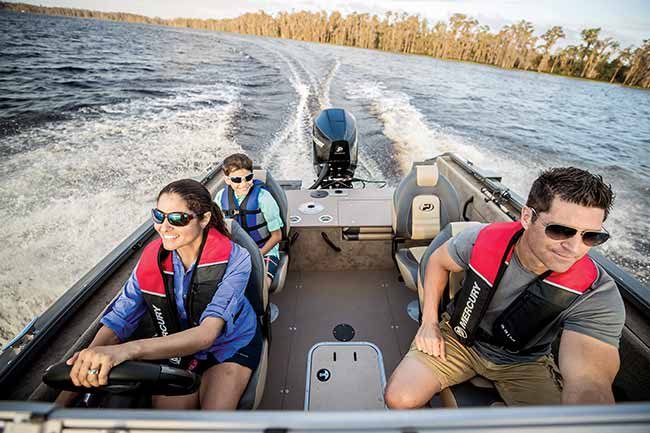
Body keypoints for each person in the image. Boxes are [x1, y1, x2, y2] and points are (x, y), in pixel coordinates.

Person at [385, 167, 624, 407]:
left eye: (591, 236)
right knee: (398, 398)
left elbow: (589, 381)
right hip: (459, 340)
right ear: (527, 217)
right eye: (560, 231)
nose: (574, 248)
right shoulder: (480, 240)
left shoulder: (595, 293)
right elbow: (438, 260)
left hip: (524, 362)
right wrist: (429, 323)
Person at [57, 179, 262, 410]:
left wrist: (127, 351)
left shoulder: (237, 259)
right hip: (176, 345)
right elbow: (119, 320)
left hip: (229, 345)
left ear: (204, 219)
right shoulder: (152, 260)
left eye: (177, 219)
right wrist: (80, 371)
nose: (164, 227)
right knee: (168, 423)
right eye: (159, 216)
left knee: (213, 422)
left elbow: (207, 335)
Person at [215, 153, 283, 289]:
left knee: (261, 287)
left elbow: (277, 236)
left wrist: (256, 255)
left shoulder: (264, 198)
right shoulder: (220, 198)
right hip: (235, 253)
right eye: (237, 180)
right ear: (227, 180)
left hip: (264, 250)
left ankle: (262, 310)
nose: (244, 184)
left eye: (248, 178)